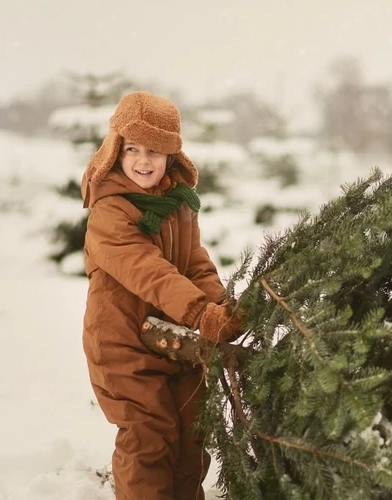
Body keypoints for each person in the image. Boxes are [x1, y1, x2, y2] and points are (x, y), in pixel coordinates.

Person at [80, 91, 244, 499]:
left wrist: (219, 307)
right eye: (132, 148)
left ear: (171, 155)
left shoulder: (177, 204)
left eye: (154, 151)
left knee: (191, 433)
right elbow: (146, 270)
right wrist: (197, 311)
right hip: (123, 344)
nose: (142, 161)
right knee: (148, 435)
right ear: (115, 149)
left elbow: (194, 263)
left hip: (175, 340)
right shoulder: (111, 211)